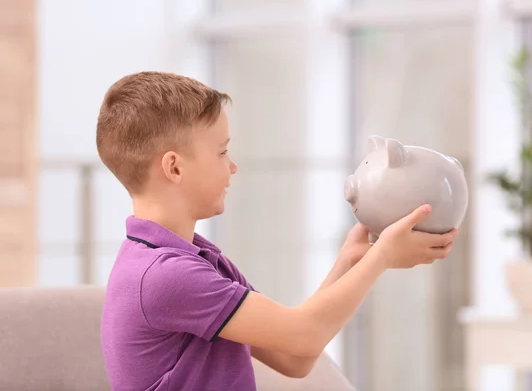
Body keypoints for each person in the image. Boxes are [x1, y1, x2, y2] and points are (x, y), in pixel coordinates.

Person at [97, 71, 458, 391]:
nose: (233, 166)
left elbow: (295, 358)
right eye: (222, 152)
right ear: (174, 168)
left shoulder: (197, 259)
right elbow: (302, 338)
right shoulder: (166, 277)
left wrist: (350, 260)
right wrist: (380, 258)